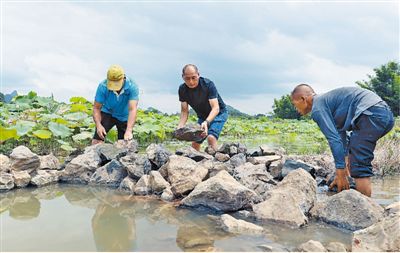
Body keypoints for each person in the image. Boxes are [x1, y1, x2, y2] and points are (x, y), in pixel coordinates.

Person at [290, 84, 394, 197]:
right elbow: (340, 136)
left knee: (359, 164)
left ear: (303, 99)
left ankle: (365, 210)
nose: (296, 109)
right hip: (384, 115)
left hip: (371, 113)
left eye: (295, 105)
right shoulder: (327, 103)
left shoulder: (318, 108)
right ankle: (354, 189)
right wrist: (343, 172)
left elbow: (334, 140)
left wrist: (340, 173)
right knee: (354, 155)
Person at [177, 64, 228, 151]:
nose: (191, 82)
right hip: (202, 116)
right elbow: (184, 111)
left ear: (198, 75)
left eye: (194, 78)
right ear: (183, 77)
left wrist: (207, 122)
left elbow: (215, 108)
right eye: (187, 78)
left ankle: (216, 161)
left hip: (218, 114)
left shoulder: (208, 85)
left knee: (211, 137)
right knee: (196, 141)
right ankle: (195, 161)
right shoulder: (182, 89)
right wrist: (180, 126)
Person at [92, 65, 139, 145]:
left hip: (124, 115)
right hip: (107, 112)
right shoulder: (103, 86)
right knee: (97, 140)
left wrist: (129, 130)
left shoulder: (132, 86)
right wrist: (99, 125)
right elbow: (96, 108)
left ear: (123, 78)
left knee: (125, 144)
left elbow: (132, 109)